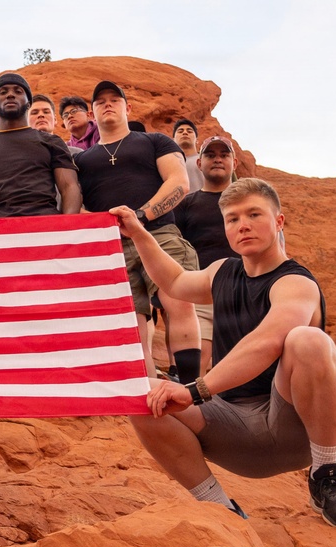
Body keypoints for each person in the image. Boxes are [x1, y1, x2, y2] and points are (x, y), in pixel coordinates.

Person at [112, 178, 336, 531]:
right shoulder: (223, 272)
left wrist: (193, 390)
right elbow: (174, 283)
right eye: (232, 219)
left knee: (308, 341)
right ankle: (221, 510)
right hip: (233, 432)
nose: (242, 224)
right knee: (141, 395)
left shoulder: (296, 283)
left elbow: (267, 342)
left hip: (293, 427)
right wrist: (139, 234)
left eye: (253, 214)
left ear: (278, 222)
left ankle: (326, 476)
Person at [75, 80, 201, 384]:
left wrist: (141, 217)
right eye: (100, 101)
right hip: (112, 245)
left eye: (114, 99)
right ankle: (145, 394)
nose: (108, 104)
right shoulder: (80, 160)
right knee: (131, 323)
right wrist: (103, 223)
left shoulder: (154, 141)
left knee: (179, 301)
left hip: (159, 234)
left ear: (127, 107)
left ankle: (191, 389)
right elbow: (73, 203)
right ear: (92, 114)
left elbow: (179, 182)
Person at [0, 72, 82, 219]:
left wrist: (66, 228)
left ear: (29, 103)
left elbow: (69, 187)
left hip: (46, 229)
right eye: (3, 92)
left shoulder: (52, 143)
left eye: (18, 91)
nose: (10, 95)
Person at [173, 136, 241, 374]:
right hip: (201, 293)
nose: (218, 159)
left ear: (235, 162)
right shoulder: (186, 204)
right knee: (198, 365)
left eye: (224, 155)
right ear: (199, 164)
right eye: (211, 155)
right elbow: (175, 250)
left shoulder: (246, 201)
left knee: (239, 365)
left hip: (243, 291)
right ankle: (195, 409)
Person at [173, 118, 204, 193]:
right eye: (180, 131)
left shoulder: (206, 160)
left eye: (189, 131)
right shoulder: (167, 163)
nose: (185, 133)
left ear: (197, 140)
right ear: (173, 139)